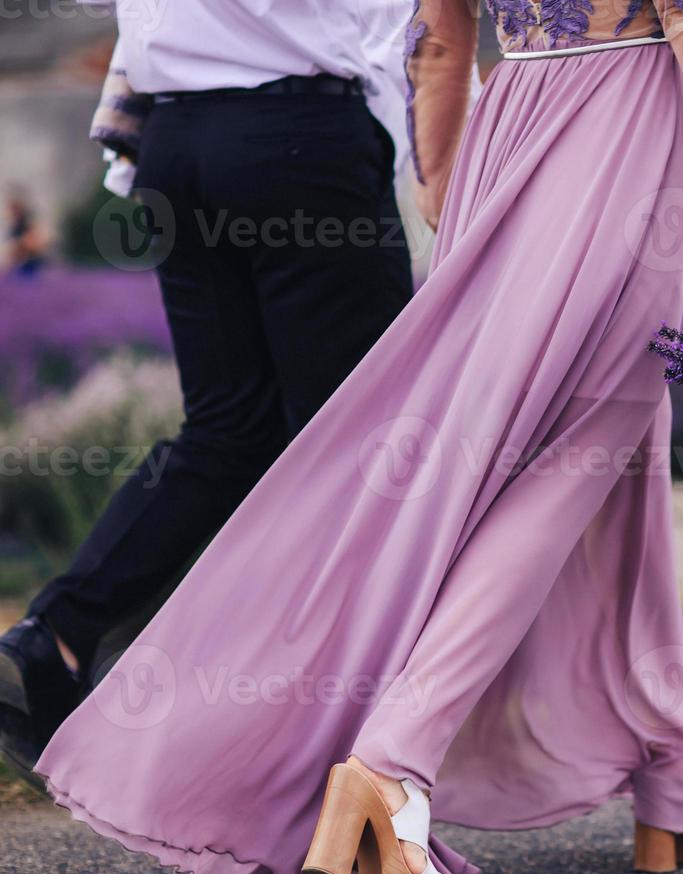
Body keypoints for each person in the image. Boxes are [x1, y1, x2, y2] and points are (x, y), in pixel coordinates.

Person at [34, 0, 683, 874]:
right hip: (612, 144)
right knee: (583, 449)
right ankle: (392, 765)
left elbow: (439, 34)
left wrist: (446, 176)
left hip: (506, 134)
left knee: (614, 447)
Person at [0, 2, 415, 778]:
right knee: (355, 445)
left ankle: (55, 635)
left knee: (228, 429)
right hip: (299, 134)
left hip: (179, 141)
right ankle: (304, 755)